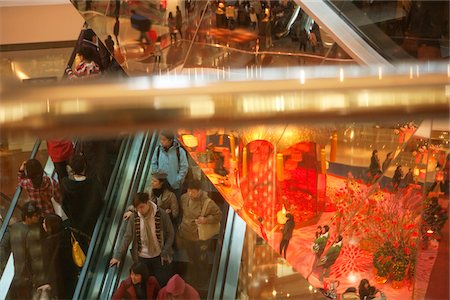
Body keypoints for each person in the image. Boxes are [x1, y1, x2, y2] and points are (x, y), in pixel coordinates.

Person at [110, 192, 174, 286]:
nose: (140, 210)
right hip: (142, 257)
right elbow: (127, 236)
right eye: (137, 208)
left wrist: (164, 251)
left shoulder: (161, 214)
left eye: (142, 207)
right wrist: (118, 256)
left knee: (161, 282)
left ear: (148, 203)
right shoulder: (135, 217)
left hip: (159, 256)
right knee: (143, 284)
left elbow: (170, 233)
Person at [177, 180, 222, 287]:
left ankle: (203, 278)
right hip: (186, 233)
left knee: (201, 258)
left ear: (199, 191)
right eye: (188, 191)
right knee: (191, 257)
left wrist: (205, 220)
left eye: (193, 192)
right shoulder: (184, 198)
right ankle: (193, 277)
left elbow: (218, 215)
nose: (190, 194)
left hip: (200, 236)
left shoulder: (208, 203)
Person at [27, 214, 77, 299]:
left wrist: (49, 283)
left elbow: (52, 266)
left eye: (44, 222)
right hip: (75, 273)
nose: (43, 225)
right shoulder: (68, 234)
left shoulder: (48, 244)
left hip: (61, 283)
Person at [0, 201, 42, 299]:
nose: (39, 217)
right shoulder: (16, 231)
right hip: (23, 277)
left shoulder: (15, 229)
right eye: (36, 215)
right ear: (27, 217)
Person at [62, 154, 103, 250]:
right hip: (91, 225)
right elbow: (98, 204)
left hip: (75, 225)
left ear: (71, 169)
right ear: (85, 166)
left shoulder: (65, 184)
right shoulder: (92, 184)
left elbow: (64, 205)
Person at [151, 130, 189, 201]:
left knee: (175, 204)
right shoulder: (158, 149)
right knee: (160, 203)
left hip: (174, 185)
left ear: (170, 140)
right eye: (161, 139)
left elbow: (184, 167)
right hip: (161, 184)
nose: (161, 141)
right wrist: (157, 177)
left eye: (164, 140)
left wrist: (177, 180)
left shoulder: (179, 151)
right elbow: (154, 163)